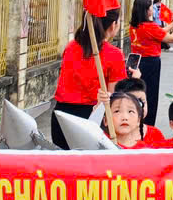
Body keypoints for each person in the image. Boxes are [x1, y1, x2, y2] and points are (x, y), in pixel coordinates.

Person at [52, 9, 132, 150]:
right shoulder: (114, 55)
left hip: (61, 117)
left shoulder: (71, 47)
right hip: (91, 119)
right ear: (113, 25)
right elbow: (115, 98)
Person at [129, 0, 173, 127]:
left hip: (136, 61)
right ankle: (148, 125)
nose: (152, 10)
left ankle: (137, 121)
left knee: (136, 92)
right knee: (150, 95)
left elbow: (159, 32)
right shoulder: (149, 27)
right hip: (150, 63)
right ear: (146, 10)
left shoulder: (135, 25)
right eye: (150, 8)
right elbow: (170, 39)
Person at [114, 77, 170, 147]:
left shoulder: (155, 134)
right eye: (132, 104)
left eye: (142, 102)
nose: (139, 107)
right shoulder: (110, 135)